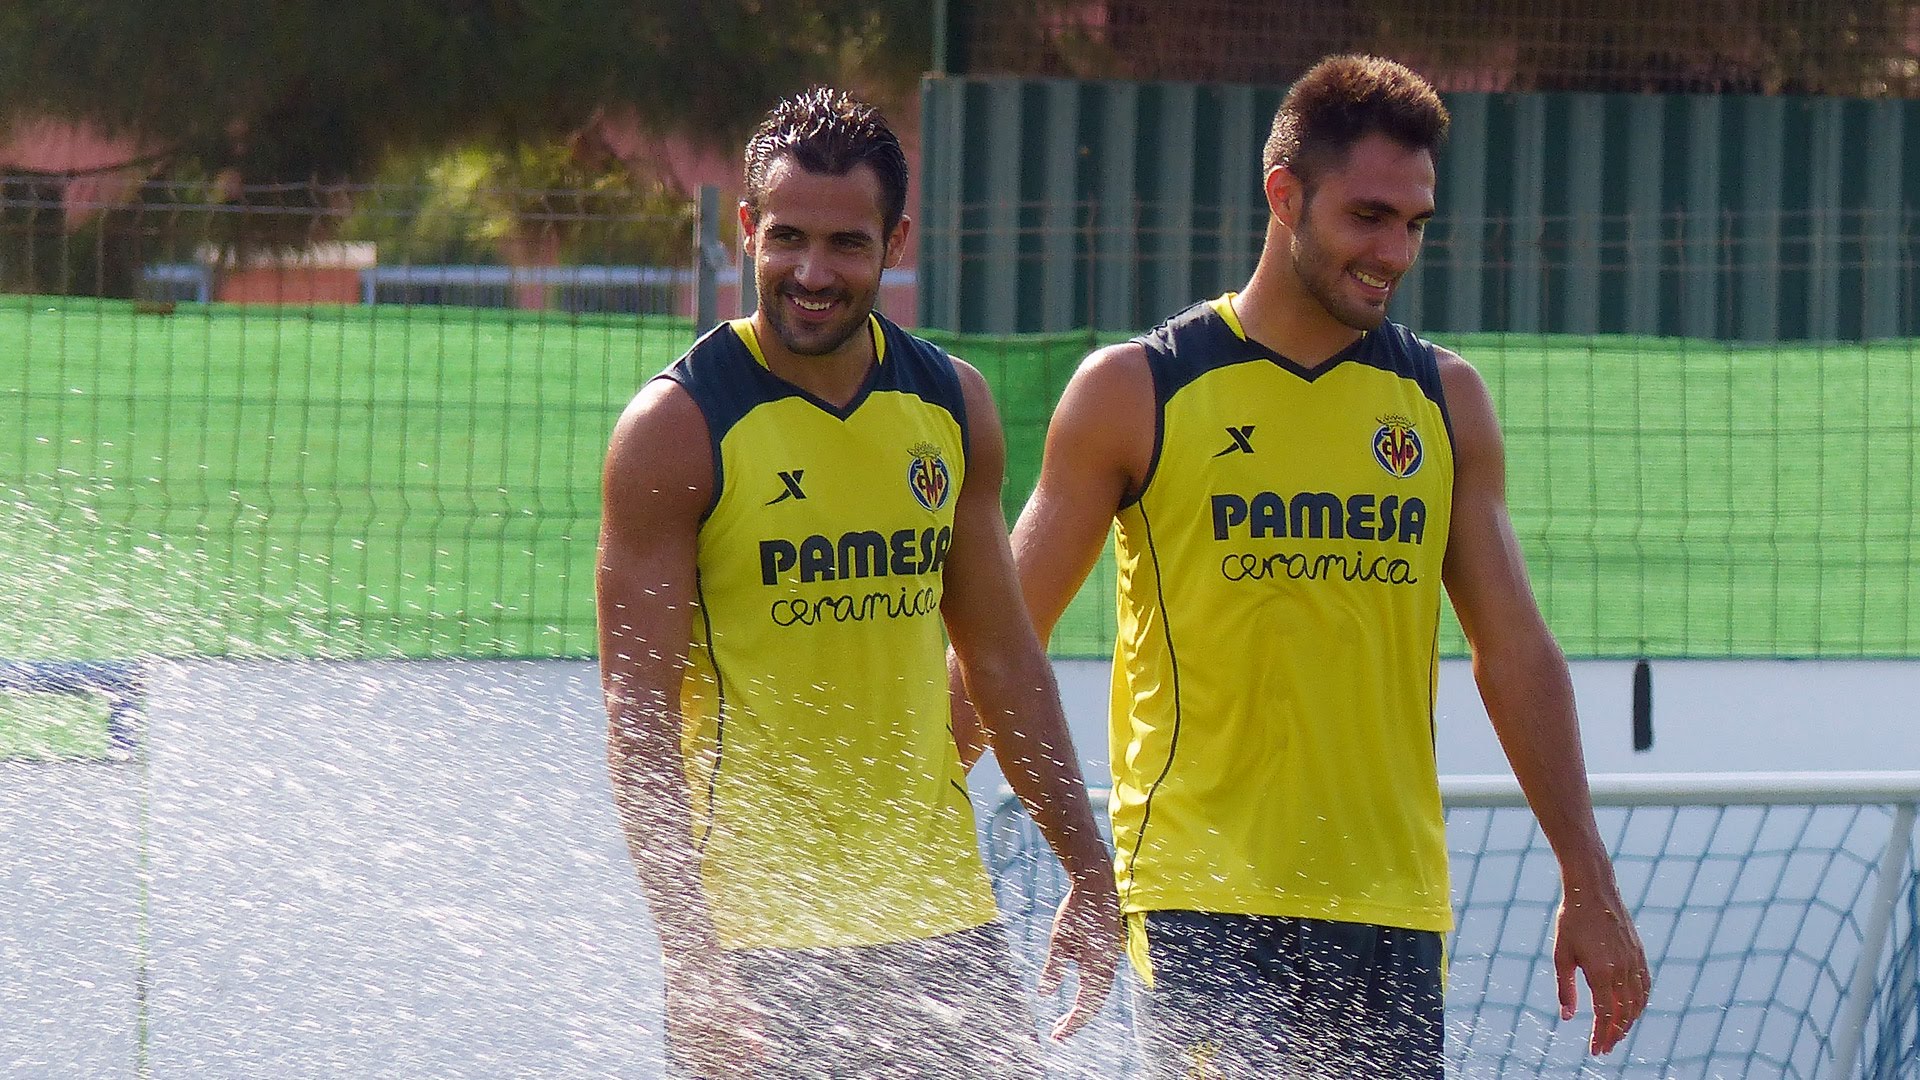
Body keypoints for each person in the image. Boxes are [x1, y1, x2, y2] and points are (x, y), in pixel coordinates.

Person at [958, 55, 1651, 1077]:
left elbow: (1515, 652)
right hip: (1199, 902)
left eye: (1414, 224)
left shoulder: (1445, 403)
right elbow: (998, 640)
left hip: (1390, 910)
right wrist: (917, 830)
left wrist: (1586, 875)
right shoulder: (1134, 391)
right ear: (1284, 195)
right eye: (1368, 216)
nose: (1394, 252)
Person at [597, 87, 1120, 1080]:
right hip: (757, 945)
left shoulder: (951, 404)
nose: (812, 272)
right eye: (788, 238)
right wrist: (689, 957)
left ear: (897, 242)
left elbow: (1003, 658)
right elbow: (637, 720)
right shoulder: (675, 429)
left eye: (846, 244)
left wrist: (1088, 870)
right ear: (747, 228)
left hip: (944, 923)